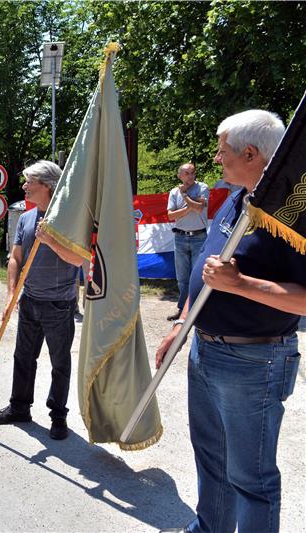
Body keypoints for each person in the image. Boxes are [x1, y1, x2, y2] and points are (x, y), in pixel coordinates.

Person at [156, 110, 304, 533]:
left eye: (223, 152)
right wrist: (180, 325)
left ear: (251, 154)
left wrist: (240, 284)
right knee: (211, 460)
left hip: (253, 362)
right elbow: (206, 271)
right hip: (205, 348)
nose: (217, 160)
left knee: (251, 479)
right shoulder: (239, 200)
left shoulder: (292, 214)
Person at [0, 161, 85, 440]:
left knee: (59, 363)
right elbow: (15, 258)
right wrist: (11, 294)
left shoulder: (68, 219)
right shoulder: (26, 218)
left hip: (59, 304)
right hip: (29, 300)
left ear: (47, 185)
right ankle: (19, 406)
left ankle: (58, 416)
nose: (25, 187)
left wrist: (51, 240)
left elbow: (78, 259)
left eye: (30, 182)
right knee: (23, 356)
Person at [166, 162, 210, 321]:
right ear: (179, 175)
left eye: (192, 173)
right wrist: (190, 206)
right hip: (180, 237)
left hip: (199, 237)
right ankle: (182, 310)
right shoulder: (173, 192)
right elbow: (171, 216)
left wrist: (184, 196)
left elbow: (199, 209)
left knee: (198, 275)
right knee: (182, 277)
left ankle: (198, 310)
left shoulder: (202, 187)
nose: (191, 176)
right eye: (187, 173)